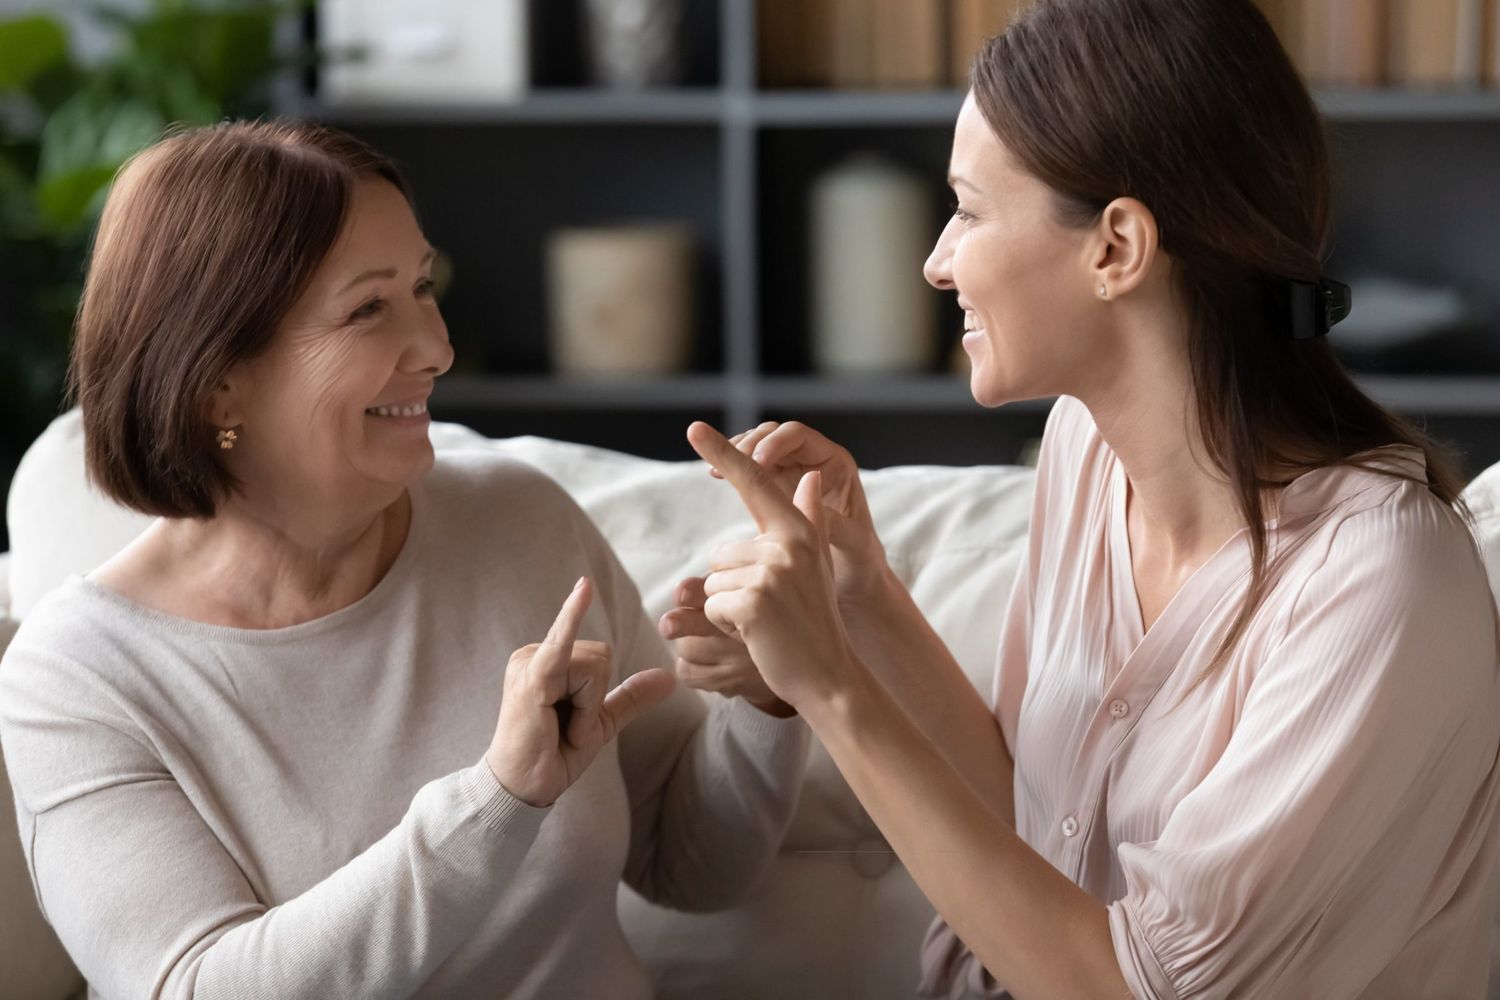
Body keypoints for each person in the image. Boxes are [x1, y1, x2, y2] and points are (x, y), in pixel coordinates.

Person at [658, 0, 1500, 995]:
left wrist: (829, 690)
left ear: (1116, 249)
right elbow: (1036, 820)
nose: (937, 260)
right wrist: (858, 595)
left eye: (968, 208)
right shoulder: (1086, 448)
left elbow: (1125, 985)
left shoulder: (1377, 582)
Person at [0, 120, 809, 999]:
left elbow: (690, 869)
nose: (437, 348)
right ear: (216, 379)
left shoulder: (521, 521)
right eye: (369, 308)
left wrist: (769, 695)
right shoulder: (75, 679)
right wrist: (497, 799)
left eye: (423, 287)